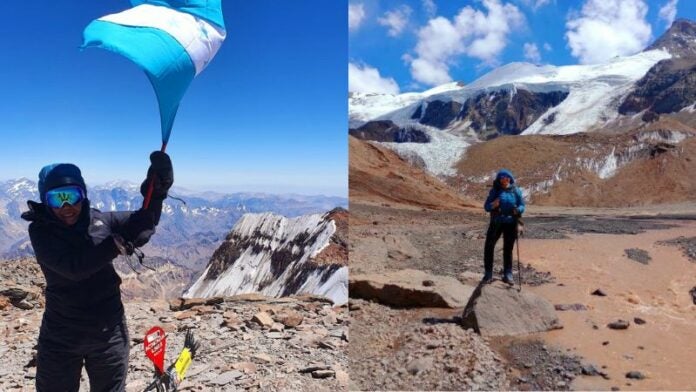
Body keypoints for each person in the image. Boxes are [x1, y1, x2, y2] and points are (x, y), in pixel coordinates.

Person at [21, 152, 173, 392]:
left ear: (83, 195)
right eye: (56, 199)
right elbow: (74, 268)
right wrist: (116, 244)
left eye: (72, 196)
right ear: (45, 201)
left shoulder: (102, 221)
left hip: (108, 331)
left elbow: (144, 221)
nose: (67, 206)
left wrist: (156, 193)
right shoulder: (41, 232)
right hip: (61, 334)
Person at [483, 169, 525, 284]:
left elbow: (522, 205)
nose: (504, 179)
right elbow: (486, 207)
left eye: (507, 177)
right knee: (489, 247)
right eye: (502, 177)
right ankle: (488, 273)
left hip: (511, 223)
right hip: (496, 222)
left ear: (510, 179)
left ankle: (508, 274)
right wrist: (493, 204)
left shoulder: (516, 191)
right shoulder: (495, 191)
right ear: (499, 179)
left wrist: (519, 210)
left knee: (508, 249)